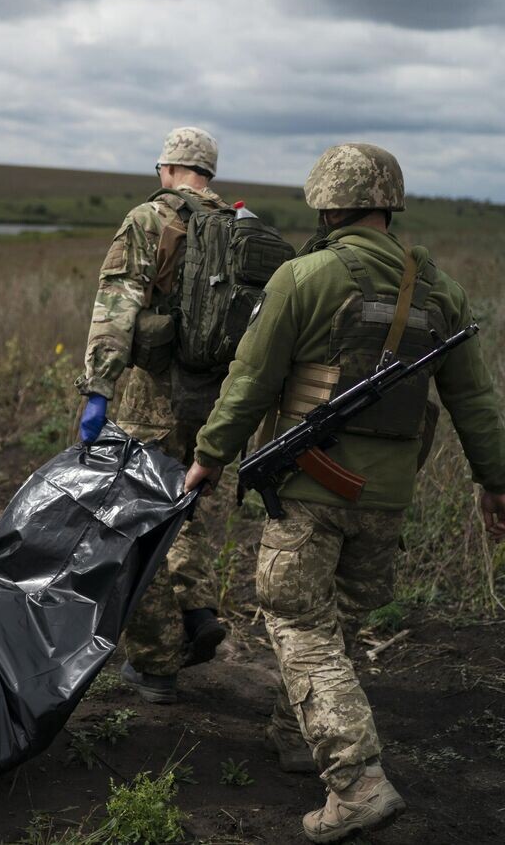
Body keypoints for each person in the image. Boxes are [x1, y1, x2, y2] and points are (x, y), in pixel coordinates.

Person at [185, 143, 505, 842]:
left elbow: (251, 379)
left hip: (310, 487)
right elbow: (475, 401)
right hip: (386, 499)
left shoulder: (305, 276)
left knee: (296, 622)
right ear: (388, 202)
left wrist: (208, 458)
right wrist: (494, 483)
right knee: (338, 626)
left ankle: (357, 781)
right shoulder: (440, 289)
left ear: (328, 204)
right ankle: (297, 735)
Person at [75, 126, 227, 703]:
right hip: (215, 403)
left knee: (132, 519)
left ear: (166, 169)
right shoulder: (238, 226)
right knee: (182, 509)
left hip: (152, 399)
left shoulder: (148, 219)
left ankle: (156, 661)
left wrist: (98, 389)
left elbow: (117, 305)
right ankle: (196, 610)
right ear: (208, 173)